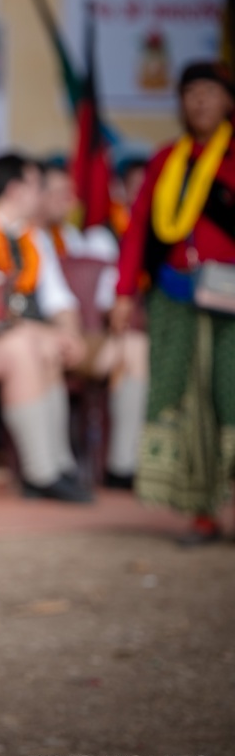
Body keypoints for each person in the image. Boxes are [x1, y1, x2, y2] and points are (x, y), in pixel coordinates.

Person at [112, 61, 235, 544]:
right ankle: (201, 512)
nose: (199, 101)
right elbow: (139, 227)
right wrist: (124, 293)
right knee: (185, 400)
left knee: (230, 396)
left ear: (228, 100)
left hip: (230, 303)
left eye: (210, 91)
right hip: (175, 297)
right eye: (191, 92)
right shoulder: (168, 159)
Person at [0, 152, 93, 502]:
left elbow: (58, 299)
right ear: (14, 189)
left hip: (24, 337)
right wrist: (42, 332)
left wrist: (68, 333)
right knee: (25, 345)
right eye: (36, 186)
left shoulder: (33, 237)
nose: (42, 194)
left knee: (47, 346)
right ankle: (39, 471)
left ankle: (59, 463)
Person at [39, 158, 148, 488]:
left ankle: (122, 464)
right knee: (47, 347)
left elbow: (69, 301)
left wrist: (72, 330)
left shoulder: (75, 237)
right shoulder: (27, 235)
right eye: (57, 192)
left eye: (69, 193)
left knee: (135, 346)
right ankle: (59, 465)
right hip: (37, 339)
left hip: (77, 336)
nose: (68, 200)